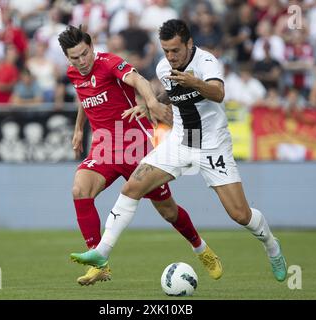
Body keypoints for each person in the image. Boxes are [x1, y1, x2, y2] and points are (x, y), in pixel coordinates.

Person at [70, 19, 287, 282]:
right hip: (181, 141)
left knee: (240, 214)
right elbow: (170, 94)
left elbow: (218, 93)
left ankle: (272, 246)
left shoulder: (206, 62)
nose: (170, 56)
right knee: (131, 189)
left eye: (175, 50)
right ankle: (101, 253)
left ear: (189, 44)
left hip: (211, 143)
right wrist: (148, 105)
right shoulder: (164, 67)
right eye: (165, 51)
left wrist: (193, 81)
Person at [58, 26, 222, 286]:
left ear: (91, 47)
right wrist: (79, 129)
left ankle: (201, 249)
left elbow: (138, 80)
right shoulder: (74, 73)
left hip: (134, 145)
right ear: (68, 59)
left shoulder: (110, 63)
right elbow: (83, 95)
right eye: (74, 58)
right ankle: (99, 264)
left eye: (84, 54)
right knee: (80, 190)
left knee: (168, 212)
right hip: (103, 147)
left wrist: (153, 103)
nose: (81, 61)